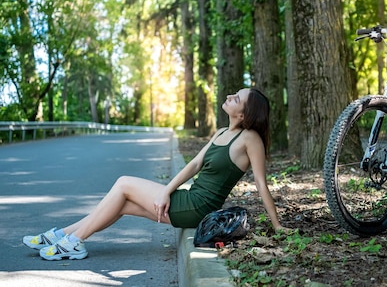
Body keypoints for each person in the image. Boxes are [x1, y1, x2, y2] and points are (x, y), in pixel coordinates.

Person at [23, 88, 288, 260]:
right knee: (123, 204)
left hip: (199, 207)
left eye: (237, 98)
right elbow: (194, 164)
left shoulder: (250, 139)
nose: (230, 96)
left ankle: (74, 241)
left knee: (124, 183)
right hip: (188, 198)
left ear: (243, 114)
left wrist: (277, 227)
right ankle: (62, 236)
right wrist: (166, 190)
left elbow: (261, 185)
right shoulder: (221, 132)